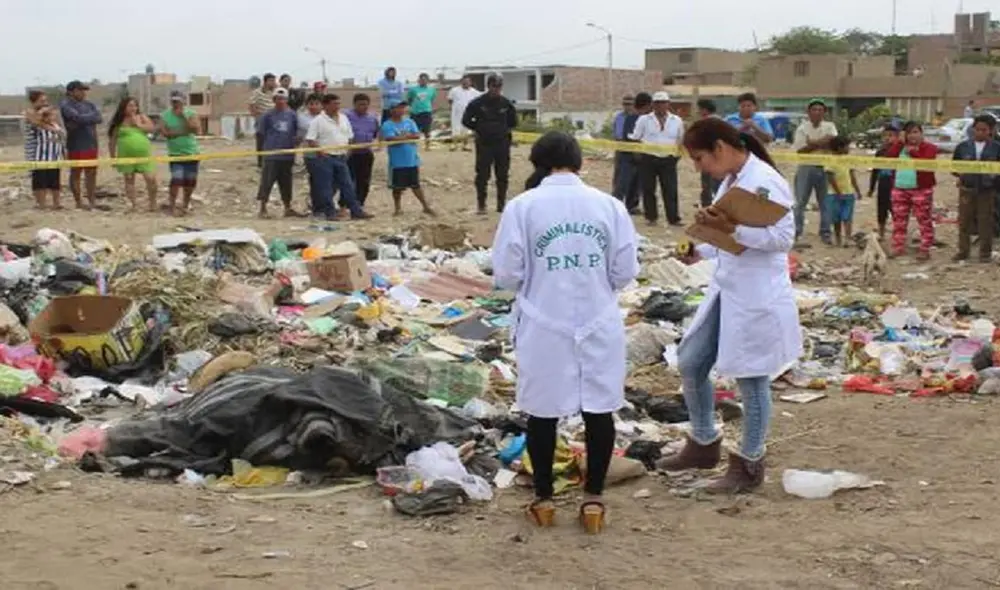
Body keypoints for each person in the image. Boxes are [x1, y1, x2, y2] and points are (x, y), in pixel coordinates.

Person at [491, 131, 639, 533]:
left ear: (537, 163)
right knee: (599, 406)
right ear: (581, 163)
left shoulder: (522, 207)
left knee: (542, 410)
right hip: (598, 316)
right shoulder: (609, 206)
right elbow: (625, 270)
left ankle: (544, 498)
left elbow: (507, 273)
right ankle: (593, 498)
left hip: (543, 318)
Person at [655, 118, 802, 493]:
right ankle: (703, 442)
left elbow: (783, 238)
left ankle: (750, 464)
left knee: (751, 378)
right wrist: (699, 248)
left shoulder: (765, 181)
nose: (698, 166)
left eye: (700, 157)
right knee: (691, 360)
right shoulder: (734, 179)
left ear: (720, 148)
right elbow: (728, 232)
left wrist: (731, 230)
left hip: (756, 292)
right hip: (729, 286)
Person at [304, 94, 371, 221]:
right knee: (326, 187)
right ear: (326, 105)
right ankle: (329, 212)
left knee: (348, 185)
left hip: (341, 156)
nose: (337, 106)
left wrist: (349, 149)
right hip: (325, 158)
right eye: (334, 103)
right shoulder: (318, 121)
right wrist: (321, 151)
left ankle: (356, 211)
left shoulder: (344, 118)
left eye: (338, 103)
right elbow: (311, 139)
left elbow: (350, 136)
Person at [463, 74, 517, 214]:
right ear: (489, 86)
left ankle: (501, 205)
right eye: (494, 86)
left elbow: (513, 122)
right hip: (484, 143)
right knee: (482, 175)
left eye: (499, 87)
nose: (497, 89)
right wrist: (480, 127)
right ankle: (481, 205)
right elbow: (466, 120)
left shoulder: (506, 103)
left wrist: (502, 130)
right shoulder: (477, 103)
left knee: (502, 175)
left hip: (502, 143)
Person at [884, 121, 939, 261]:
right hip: (900, 189)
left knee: (924, 220)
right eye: (909, 133)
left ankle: (925, 248)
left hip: (921, 190)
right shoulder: (900, 147)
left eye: (915, 132)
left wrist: (913, 152)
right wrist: (899, 143)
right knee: (899, 221)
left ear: (921, 133)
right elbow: (889, 158)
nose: (912, 136)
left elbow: (926, 163)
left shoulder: (930, 148)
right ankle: (898, 246)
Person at [629, 91, 684, 226]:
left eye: (663, 103)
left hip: (669, 158)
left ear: (668, 104)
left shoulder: (676, 120)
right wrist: (638, 155)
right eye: (657, 103)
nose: (660, 106)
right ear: (653, 104)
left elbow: (680, 139)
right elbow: (636, 138)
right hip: (648, 158)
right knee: (648, 189)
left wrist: (676, 156)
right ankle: (651, 217)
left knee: (670, 189)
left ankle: (673, 218)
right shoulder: (644, 120)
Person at [952, 114, 1000, 262]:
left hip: (987, 190)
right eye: (977, 129)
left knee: (986, 222)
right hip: (967, 188)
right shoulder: (963, 147)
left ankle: (985, 254)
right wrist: (960, 175)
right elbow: (954, 166)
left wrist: (993, 178)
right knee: (964, 221)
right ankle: (963, 251)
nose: (980, 132)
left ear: (990, 131)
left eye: (984, 130)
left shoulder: (996, 148)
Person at [791, 98, 839, 245]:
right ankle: (796, 231)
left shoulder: (830, 126)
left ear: (824, 112)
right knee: (800, 202)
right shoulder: (802, 128)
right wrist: (822, 143)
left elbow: (835, 144)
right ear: (808, 112)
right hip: (806, 166)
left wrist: (813, 143)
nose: (817, 112)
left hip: (825, 167)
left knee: (825, 202)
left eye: (820, 109)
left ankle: (825, 232)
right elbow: (801, 150)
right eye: (814, 109)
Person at [381, 101, 436, 217]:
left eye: (403, 108)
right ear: (392, 110)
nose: (401, 110)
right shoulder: (387, 124)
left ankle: (425, 206)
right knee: (397, 188)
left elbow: (416, 135)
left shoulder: (409, 121)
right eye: (398, 108)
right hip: (397, 161)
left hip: (412, 159)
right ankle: (397, 208)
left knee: (415, 185)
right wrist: (406, 137)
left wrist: (402, 137)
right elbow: (390, 138)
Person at [256, 87, 304, 218]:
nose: (280, 101)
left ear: (287, 100)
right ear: (274, 100)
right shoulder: (267, 115)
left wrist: (297, 141)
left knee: (286, 182)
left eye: (283, 99)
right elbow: (261, 133)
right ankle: (263, 208)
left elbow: (297, 131)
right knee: (267, 182)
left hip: (287, 155)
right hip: (271, 154)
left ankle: (288, 208)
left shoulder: (292, 115)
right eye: (278, 99)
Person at [108, 97, 158, 212]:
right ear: (124, 107)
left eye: (135, 105)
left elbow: (152, 129)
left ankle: (153, 203)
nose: (133, 108)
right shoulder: (119, 122)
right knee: (129, 179)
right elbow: (112, 141)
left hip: (144, 154)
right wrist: (112, 157)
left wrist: (139, 125)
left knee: (151, 178)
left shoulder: (142, 117)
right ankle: (133, 205)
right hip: (126, 155)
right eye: (130, 105)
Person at [59, 80, 102, 210]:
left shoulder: (89, 104)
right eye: (80, 90)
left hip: (91, 142)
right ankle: (78, 201)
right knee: (76, 172)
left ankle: (92, 200)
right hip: (76, 143)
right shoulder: (66, 105)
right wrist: (89, 118)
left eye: (84, 90)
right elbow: (77, 118)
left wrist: (84, 118)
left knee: (91, 173)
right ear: (71, 91)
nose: (84, 93)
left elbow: (99, 118)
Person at [158, 91, 201, 216]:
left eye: (178, 101)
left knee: (190, 181)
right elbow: (165, 133)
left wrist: (183, 118)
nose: (175, 103)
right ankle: (171, 206)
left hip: (191, 152)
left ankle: (185, 205)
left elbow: (196, 129)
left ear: (183, 101)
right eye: (173, 101)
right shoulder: (164, 115)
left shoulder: (191, 113)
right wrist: (184, 131)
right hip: (175, 153)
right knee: (176, 180)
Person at [25, 96, 65, 210]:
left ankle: (56, 203)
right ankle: (42, 204)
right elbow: (34, 121)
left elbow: (62, 139)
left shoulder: (56, 127)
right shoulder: (37, 126)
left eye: (51, 115)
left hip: (54, 158)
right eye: (47, 115)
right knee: (40, 182)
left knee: (55, 182)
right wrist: (42, 113)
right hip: (40, 157)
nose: (50, 117)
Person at [824, 136, 861, 247]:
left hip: (848, 192)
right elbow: (830, 177)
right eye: (847, 146)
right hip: (834, 195)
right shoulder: (830, 160)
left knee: (848, 217)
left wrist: (857, 190)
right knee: (836, 218)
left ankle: (847, 239)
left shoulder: (848, 159)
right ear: (839, 148)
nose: (848, 149)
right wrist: (838, 192)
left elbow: (852, 175)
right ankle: (838, 238)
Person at [346, 93, 379, 207]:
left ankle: (360, 203)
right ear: (354, 104)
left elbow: (376, 133)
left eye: (365, 104)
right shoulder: (346, 116)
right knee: (349, 180)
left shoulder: (372, 118)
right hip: (350, 154)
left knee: (364, 180)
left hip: (366, 153)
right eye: (360, 104)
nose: (363, 107)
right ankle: (345, 203)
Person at [620, 92, 650, 214]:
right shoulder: (633, 118)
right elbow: (630, 137)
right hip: (629, 155)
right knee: (624, 181)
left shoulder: (643, 118)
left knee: (637, 183)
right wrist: (636, 152)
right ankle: (620, 204)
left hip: (640, 155)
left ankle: (632, 205)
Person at [868, 124, 899, 239]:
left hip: (896, 185)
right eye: (885, 135)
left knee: (896, 210)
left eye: (891, 135)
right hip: (883, 185)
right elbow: (875, 171)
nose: (887, 138)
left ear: (897, 137)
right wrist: (871, 188)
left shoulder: (900, 152)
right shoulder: (880, 152)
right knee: (881, 210)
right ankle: (881, 233)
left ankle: (898, 233)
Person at [298, 93, 324, 215]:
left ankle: (324, 204)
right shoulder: (302, 118)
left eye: (316, 104)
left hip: (328, 153)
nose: (313, 106)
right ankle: (316, 207)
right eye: (311, 104)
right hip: (311, 154)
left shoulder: (326, 117)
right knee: (316, 181)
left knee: (328, 181)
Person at [697, 98, 722, 207]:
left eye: (699, 109)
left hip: (709, 158)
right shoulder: (721, 121)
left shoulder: (706, 122)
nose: (698, 112)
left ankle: (709, 209)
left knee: (708, 186)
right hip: (718, 158)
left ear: (705, 110)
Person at [249, 74, 277, 168]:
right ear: (265, 82)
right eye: (271, 81)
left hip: (273, 119)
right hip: (262, 119)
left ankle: (271, 161)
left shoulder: (274, 92)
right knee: (261, 141)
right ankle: (261, 163)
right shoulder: (257, 92)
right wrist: (257, 116)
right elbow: (252, 105)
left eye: (274, 81)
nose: (273, 83)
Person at [611, 95, 635, 203]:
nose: (627, 106)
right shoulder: (618, 117)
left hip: (634, 149)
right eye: (625, 104)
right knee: (618, 175)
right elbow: (616, 132)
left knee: (634, 177)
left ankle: (632, 203)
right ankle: (616, 200)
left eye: (629, 104)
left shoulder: (637, 117)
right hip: (620, 148)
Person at [447, 75, 480, 151]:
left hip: (468, 114)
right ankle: (454, 145)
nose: (466, 83)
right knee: (455, 129)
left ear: (470, 82)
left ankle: (466, 145)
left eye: (467, 81)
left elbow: (478, 102)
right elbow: (450, 100)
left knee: (466, 130)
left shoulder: (474, 92)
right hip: (456, 114)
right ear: (461, 82)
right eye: (464, 81)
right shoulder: (454, 90)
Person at [407, 73, 437, 150]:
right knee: (413, 130)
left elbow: (432, 99)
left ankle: (427, 145)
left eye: (425, 80)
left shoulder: (432, 89)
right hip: (415, 112)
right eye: (421, 80)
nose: (423, 81)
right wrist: (413, 107)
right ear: (419, 80)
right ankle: (413, 145)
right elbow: (409, 99)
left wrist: (427, 106)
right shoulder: (413, 89)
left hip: (426, 111)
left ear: (428, 80)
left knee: (427, 129)